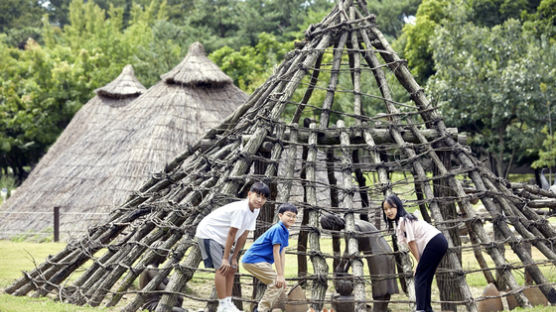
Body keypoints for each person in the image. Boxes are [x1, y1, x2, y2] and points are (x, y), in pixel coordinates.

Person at [195, 181, 270, 312]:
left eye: (264, 198)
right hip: (209, 233)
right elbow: (232, 233)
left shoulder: (255, 210)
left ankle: (228, 303)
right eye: (258, 195)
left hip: (221, 238)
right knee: (222, 268)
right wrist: (225, 258)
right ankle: (223, 305)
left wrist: (234, 257)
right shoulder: (242, 209)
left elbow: (243, 235)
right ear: (249, 194)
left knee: (232, 268)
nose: (260, 200)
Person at [382, 194, 448, 312]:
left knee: (419, 276)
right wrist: (420, 262)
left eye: (391, 207)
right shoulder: (404, 220)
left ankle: (420, 309)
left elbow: (411, 242)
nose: (388, 211)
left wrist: (418, 262)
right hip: (439, 241)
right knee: (425, 277)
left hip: (434, 242)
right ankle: (427, 309)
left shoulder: (403, 220)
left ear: (398, 207)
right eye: (385, 209)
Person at [320, 213, 399, 312]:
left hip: (378, 256)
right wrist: (344, 267)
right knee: (384, 289)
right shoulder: (353, 223)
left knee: (381, 290)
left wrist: (340, 267)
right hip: (386, 253)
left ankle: (379, 310)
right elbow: (355, 248)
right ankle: (382, 310)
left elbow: (349, 250)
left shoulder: (351, 229)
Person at [241, 203, 298, 312]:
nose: (291, 218)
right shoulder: (278, 229)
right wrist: (279, 276)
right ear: (280, 216)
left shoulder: (285, 230)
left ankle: (262, 309)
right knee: (275, 283)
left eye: (294, 216)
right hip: (253, 259)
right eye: (289, 215)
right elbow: (276, 252)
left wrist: (282, 276)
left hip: (260, 260)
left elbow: (282, 253)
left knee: (278, 283)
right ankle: (261, 310)